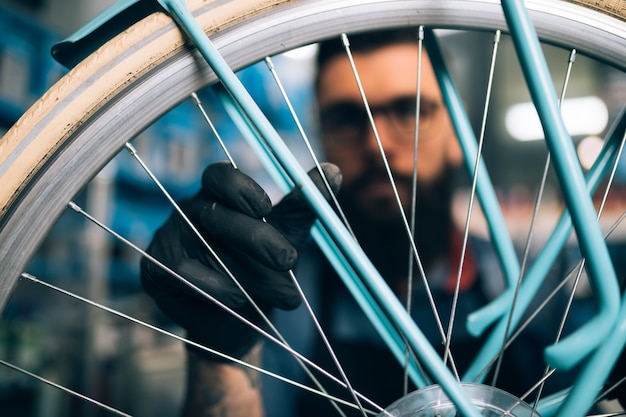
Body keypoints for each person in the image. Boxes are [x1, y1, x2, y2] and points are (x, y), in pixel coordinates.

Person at [140, 29, 572, 417]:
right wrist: (219, 355)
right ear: (322, 135)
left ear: (457, 134)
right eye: (348, 118)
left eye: (409, 110)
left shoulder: (531, 282)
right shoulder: (286, 297)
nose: (378, 145)